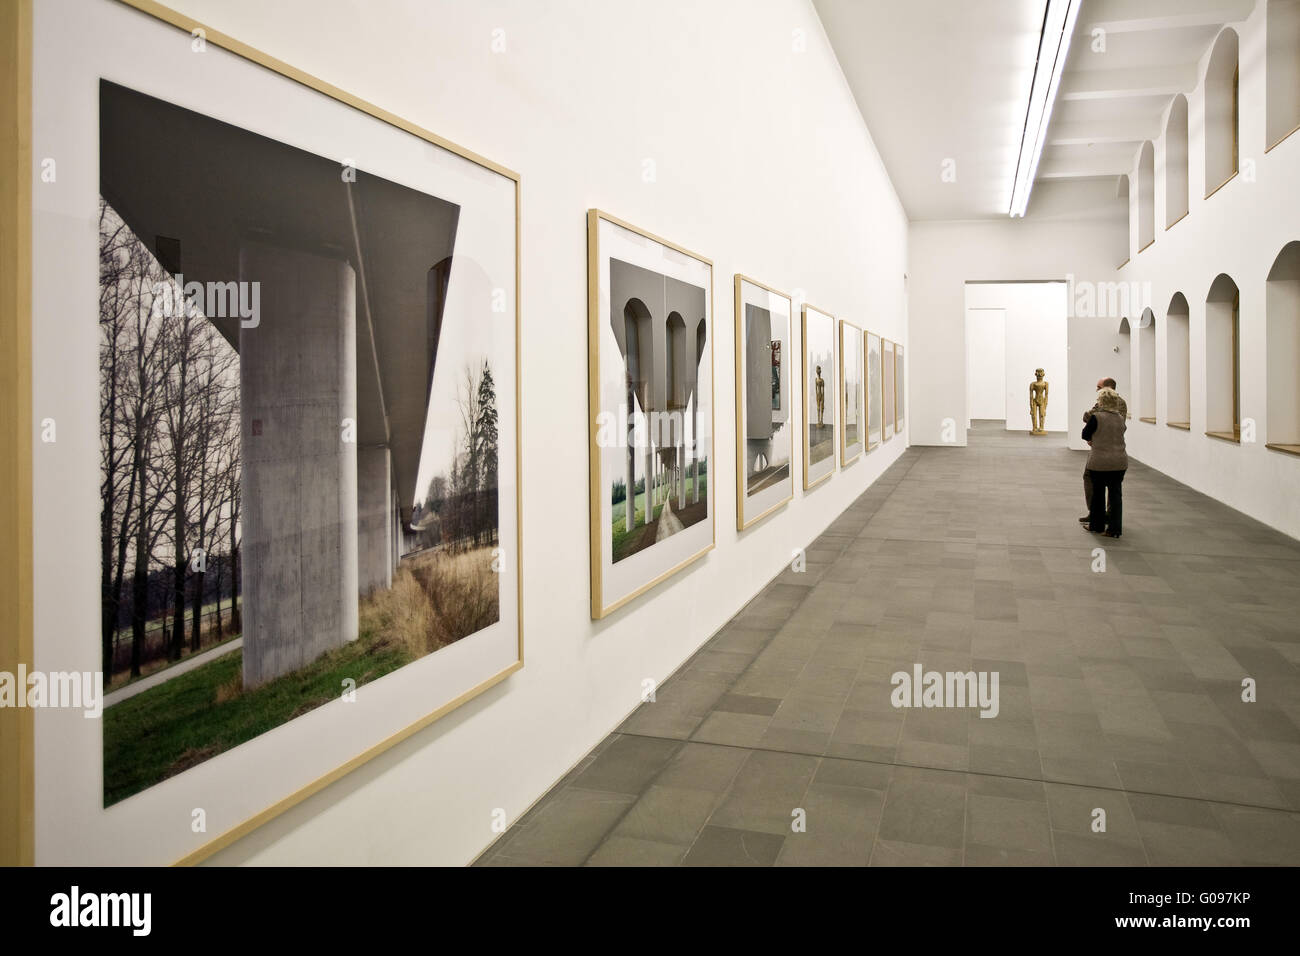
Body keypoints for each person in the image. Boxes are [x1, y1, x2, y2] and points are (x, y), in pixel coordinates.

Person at [1080, 377, 1127, 524]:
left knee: (1101, 484)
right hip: (1114, 452)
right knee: (1111, 488)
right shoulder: (1109, 407)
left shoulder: (1114, 404)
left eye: (1099, 387)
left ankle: (1099, 516)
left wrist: (1095, 415)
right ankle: (1101, 516)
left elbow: (1090, 416)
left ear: (1108, 389)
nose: (1097, 390)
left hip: (1102, 451)